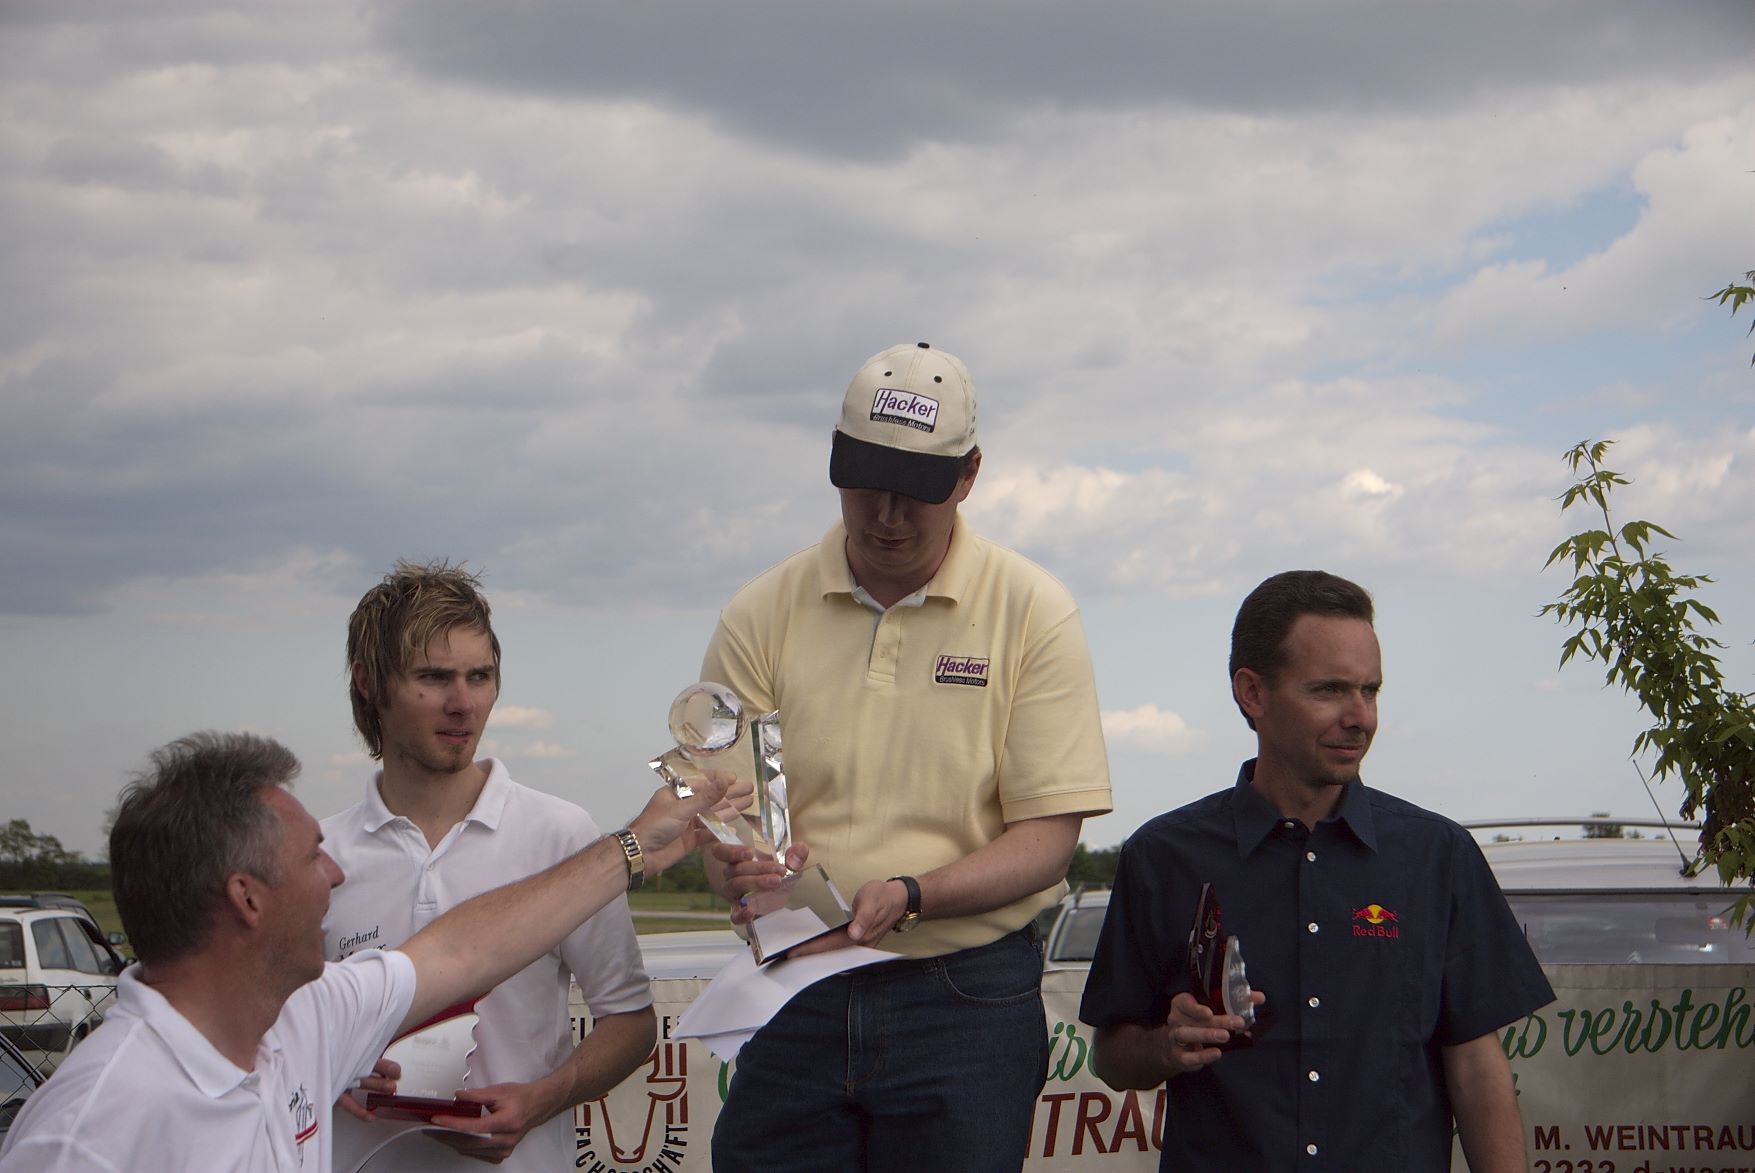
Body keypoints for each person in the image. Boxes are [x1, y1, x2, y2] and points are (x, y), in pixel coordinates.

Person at [700, 341, 1113, 1171]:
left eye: (916, 488)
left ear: (968, 476)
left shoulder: (1033, 610)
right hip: (794, 982)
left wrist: (912, 895)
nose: (886, 514)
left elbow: (1046, 840)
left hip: (964, 993)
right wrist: (738, 872)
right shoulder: (759, 611)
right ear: (834, 457)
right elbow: (719, 814)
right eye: (865, 480)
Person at [0, 732, 733, 1173]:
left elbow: (464, 949)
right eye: (312, 856)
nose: (336, 872)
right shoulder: (87, 1132)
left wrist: (633, 845)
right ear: (247, 898)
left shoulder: (301, 1021)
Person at [1081, 570, 1555, 1172]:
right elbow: (1112, 1057)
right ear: (1252, 693)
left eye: (1370, 691)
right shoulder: (1163, 857)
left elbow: (1476, 1065)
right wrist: (1165, 1047)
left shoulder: (1437, 855)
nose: (1360, 717)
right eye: (1329, 690)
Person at [322, 560, 653, 1171]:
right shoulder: (318, 858)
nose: (463, 703)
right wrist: (331, 1069)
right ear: (368, 682)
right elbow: (272, 1036)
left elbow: (631, 1023)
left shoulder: (562, 835)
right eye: (433, 677)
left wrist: (543, 1098)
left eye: (480, 676)